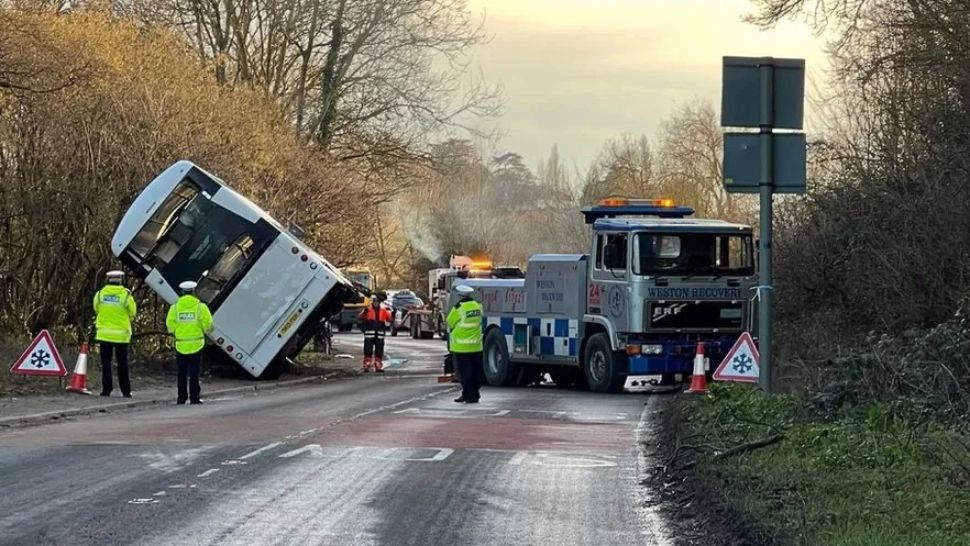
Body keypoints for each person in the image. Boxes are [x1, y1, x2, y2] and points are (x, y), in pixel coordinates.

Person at [166, 281, 213, 404]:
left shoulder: (175, 308)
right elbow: (208, 324)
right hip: (197, 344)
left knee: (181, 373)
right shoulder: (201, 307)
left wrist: (177, 331)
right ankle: (194, 397)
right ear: (193, 292)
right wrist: (203, 331)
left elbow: (170, 325)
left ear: (182, 292)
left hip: (181, 344)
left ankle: (181, 397)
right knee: (194, 372)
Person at [93, 270, 137, 398]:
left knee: (106, 363)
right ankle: (126, 391)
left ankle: (106, 390)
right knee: (122, 363)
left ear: (108, 280)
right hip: (121, 336)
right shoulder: (126, 296)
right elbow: (133, 312)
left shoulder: (100, 294)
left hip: (104, 334)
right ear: (120, 281)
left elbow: (96, 309)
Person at [447, 284, 484, 403]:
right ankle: (475, 395)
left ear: (460, 296)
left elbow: (450, 322)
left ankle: (467, 395)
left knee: (465, 373)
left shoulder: (458, 308)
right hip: (476, 346)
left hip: (461, 347)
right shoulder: (478, 306)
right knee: (475, 372)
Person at [358, 293, 392, 372]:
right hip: (369, 334)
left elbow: (389, 319)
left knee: (379, 350)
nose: (376, 303)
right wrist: (365, 312)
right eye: (375, 301)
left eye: (377, 301)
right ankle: (367, 364)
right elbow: (360, 317)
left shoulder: (383, 310)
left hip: (380, 334)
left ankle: (378, 364)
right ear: (373, 302)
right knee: (368, 349)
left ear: (379, 302)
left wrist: (393, 314)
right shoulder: (368, 309)